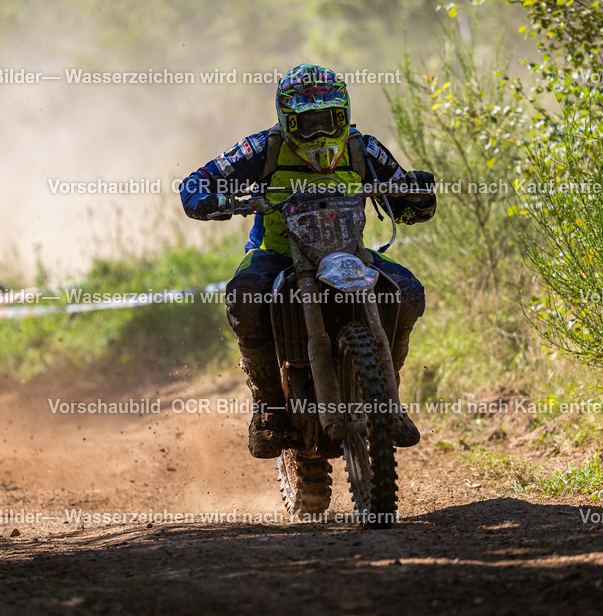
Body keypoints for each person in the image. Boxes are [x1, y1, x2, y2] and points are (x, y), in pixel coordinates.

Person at [180, 64, 436, 459]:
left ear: (343, 114)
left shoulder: (362, 148)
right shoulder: (262, 149)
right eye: (306, 123)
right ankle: (267, 406)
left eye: (326, 121)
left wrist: (417, 196)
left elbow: (404, 201)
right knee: (245, 296)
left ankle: (389, 397)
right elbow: (198, 181)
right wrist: (209, 199)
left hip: (351, 253)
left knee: (408, 292)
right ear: (287, 119)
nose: (318, 132)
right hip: (280, 255)